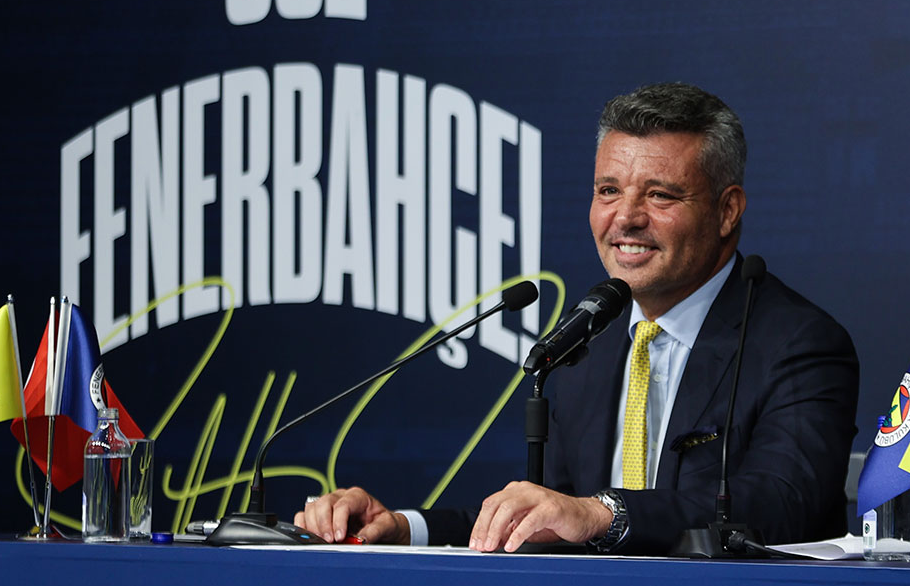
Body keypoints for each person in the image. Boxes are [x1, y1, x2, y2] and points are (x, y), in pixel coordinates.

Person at [295, 82, 859, 554]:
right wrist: (402, 527)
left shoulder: (799, 345)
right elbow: (546, 520)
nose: (626, 218)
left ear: (727, 210)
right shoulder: (585, 346)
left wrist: (602, 514)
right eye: (608, 190)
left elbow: (784, 506)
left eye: (660, 195)